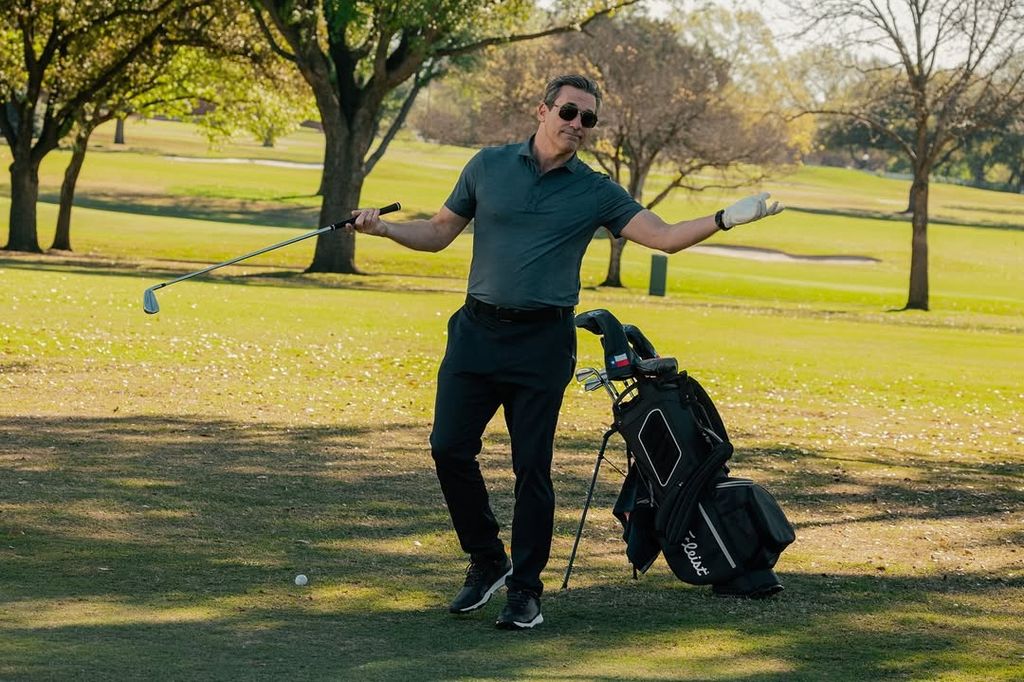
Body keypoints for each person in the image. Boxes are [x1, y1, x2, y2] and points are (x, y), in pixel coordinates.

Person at [349, 74, 783, 630]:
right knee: (448, 448)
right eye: (569, 112)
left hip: (542, 343)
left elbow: (665, 236)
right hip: (476, 334)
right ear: (542, 110)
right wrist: (383, 229)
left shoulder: (595, 190)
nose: (577, 125)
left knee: (534, 469)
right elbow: (438, 232)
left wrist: (725, 219)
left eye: (588, 119)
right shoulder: (487, 166)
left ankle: (526, 590)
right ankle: (487, 561)